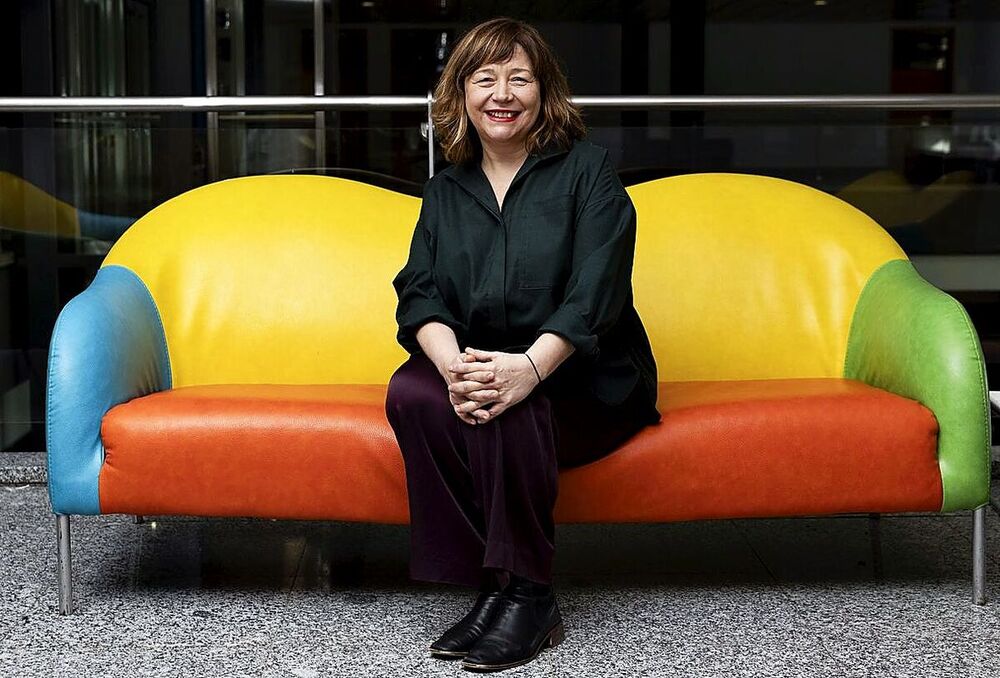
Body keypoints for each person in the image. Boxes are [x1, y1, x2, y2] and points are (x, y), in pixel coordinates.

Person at [384, 17, 661, 673]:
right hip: (487, 362)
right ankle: (493, 586)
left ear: (545, 91)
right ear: (462, 94)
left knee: (513, 405)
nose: (502, 94)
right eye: (485, 79)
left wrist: (529, 368)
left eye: (519, 78)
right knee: (412, 391)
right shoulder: (445, 191)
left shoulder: (588, 170)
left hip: (586, 376)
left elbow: (596, 291)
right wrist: (453, 367)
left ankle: (531, 594)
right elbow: (419, 291)